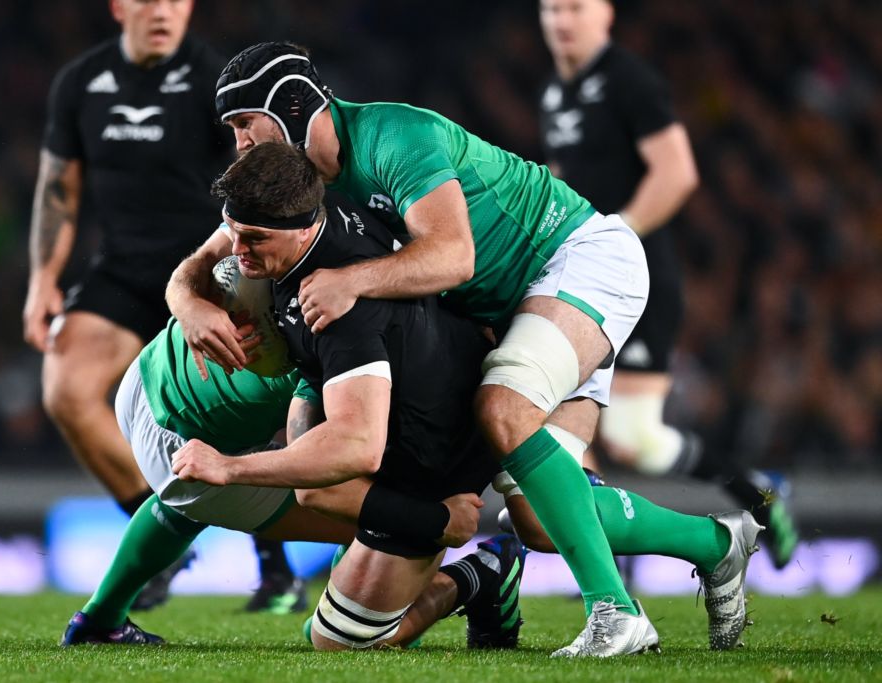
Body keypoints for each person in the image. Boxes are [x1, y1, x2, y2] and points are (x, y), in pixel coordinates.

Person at [169, 142, 763, 654]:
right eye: (234, 234)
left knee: (351, 583)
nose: (238, 251)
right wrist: (196, 305)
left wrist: (227, 465)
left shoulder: (342, 299)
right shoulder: (299, 221)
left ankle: (592, 599)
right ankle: (707, 544)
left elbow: (353, 446)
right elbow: (219, 268)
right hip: (439, 388)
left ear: (302, 226)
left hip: (452, 423)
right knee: (523, 523)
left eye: (252, 239)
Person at [168, 40, 653, 657]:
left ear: (290, 107)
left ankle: (614, 614)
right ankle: (718, 545)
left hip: (568, 260)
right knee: (538, 522)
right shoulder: (293, 189)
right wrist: (188, 303)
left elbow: (455, 257)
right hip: (496, 319)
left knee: (503, 410)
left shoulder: (396, 136)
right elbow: (201, 263)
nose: (238, 141)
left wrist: (350, 279)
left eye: (243, 122)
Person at [20, 0, 300, 611]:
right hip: (122, 271)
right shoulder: (81, 82)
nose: (165, 11)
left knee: (247, 409)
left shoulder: (210, 79)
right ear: (120, 7)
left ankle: (275, 563)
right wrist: (44, 278)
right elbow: (59, 184)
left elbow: (257, 167)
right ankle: (163, 537)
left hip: (208, 270)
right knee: (65, 388)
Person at [536, 0, 798, 570]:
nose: (560, 19)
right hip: (579, 279)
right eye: (551, 8)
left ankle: (757, 492)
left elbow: (676, 172)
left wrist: (612, 243)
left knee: (633, 438)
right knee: (559, 415)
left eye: (573, 8)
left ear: (604, 15)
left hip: (636, 278)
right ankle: (583, 563)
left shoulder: (629, 80)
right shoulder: (558, 93)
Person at [61, 315, 491, 646]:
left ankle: (100, 618)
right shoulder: (344, 332)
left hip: (152, 371)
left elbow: (215, 251)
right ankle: (470, 581)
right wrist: (435, 520)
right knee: (388, 523)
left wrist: (188, 301)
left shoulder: (291, 231)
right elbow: (320, 485)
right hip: (187, 445)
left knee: (188, 507)